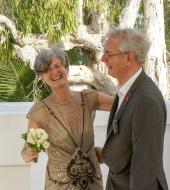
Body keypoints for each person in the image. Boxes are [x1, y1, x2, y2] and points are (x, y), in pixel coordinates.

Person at [21, 48, 113, 190]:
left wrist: (111, 150)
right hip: (59, 185)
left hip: (93, 182)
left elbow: (123, 106)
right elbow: (28, 150)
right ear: (42, 77)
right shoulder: (40, 111)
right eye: (47, 70)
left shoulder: (88, 98)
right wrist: (28, 153)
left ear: (67, 69)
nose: (54, 72)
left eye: (57, 66)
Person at [96, 28, 168, 190]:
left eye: (108, 53)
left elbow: (145, 167)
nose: (103, 58)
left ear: (129, 57)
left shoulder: (146, 100)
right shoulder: (128, 90)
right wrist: (106, 155)